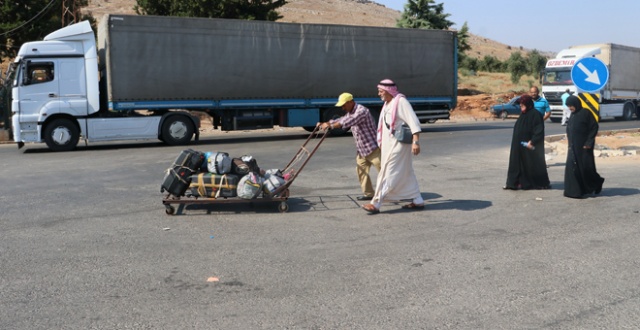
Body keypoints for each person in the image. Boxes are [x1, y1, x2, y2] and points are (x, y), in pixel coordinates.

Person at [361, 79, 423, 214]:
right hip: (389, 144)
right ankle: (418, 199)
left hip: (399, 144)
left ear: (389, 91)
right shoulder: (387, 104)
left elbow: (414, 122)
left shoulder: (401, 102)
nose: (379, 94)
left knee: (388, 171)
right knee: (406, 172)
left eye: (381, 91)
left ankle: (376, 203)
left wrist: (416, 142)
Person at [317, 92, 381, 200]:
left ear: (351, 102)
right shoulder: (351, 111)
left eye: (344, 105)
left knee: (385, 172)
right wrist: (326, 123)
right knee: (361, 171)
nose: (342, 107)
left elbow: (347, 122)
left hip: (373, 147)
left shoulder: (361, 111)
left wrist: (330, 126)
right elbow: (342, 119)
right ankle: (369, 194)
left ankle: (396, 192)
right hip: (362, 150)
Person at [503, 94, 551, 190]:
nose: (521, 107)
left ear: (528, 105)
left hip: (529, 146)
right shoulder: (523, 115)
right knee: (516, 163)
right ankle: (514, 183)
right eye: (520, 105)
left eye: (522, 105)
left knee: (531, 164)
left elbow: (539, 130)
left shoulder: (536, 114)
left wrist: (533, 141)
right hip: (518, 146)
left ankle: (537, 183)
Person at [563, 95, 605, 198]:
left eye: (571, 106)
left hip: (584, 147)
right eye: (568, 106)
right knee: (573, 168)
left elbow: (594, 127)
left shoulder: (586, 113)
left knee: (586, 168)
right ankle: (575, 191)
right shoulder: (573, 115)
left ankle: (597, 182)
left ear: (576, 104)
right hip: (573, 146)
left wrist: (589, 142)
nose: (570, 108)